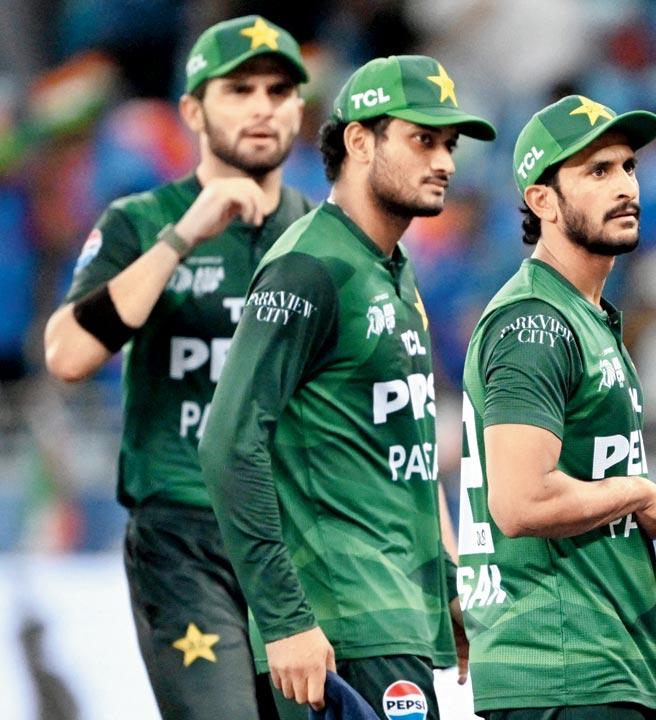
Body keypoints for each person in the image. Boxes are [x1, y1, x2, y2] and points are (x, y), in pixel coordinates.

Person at [198, 55, 495, 718]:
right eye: (423, 139)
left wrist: (445, 587)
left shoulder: (393, 268)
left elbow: (400, 456)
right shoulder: (310, 267)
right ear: (360, 140)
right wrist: (284, 619)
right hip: (336, 628)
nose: (445, 160)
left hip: (391, 616)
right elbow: (227, 442)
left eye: (449, 144)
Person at [42, 16, 310, 719]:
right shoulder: (142, 220)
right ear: (192, 110)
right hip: (184, 536)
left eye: (279, 90)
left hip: (304, 541)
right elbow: (68, 353)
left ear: (300, 109)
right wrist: (185, 235)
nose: (261, 106)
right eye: (238, 89)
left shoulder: (327, 238)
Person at [457, 95, 656, 720]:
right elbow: (522, 502)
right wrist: (638, 493)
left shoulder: (586, 317)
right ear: (542, 201)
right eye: (596, 172)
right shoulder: (534, 320)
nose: (625, 186)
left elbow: (581, 483)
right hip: (562, 668)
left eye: (628, 167)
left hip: (602, 666)